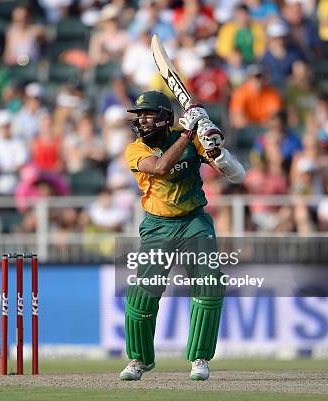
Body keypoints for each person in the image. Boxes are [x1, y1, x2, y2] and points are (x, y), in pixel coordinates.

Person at [120, 91, 245, 381]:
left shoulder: (189, 138)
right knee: (144, 292)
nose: (141, 121)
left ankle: (199, 358)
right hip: (157, 225)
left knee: (209, 286)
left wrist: (217, 150)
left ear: (165, 117)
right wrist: (189, 133)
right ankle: (139, 359)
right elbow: (161, 168)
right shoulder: (136, 150)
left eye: (147, 114)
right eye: (138, 116)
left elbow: (237, 175)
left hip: (194, 222)